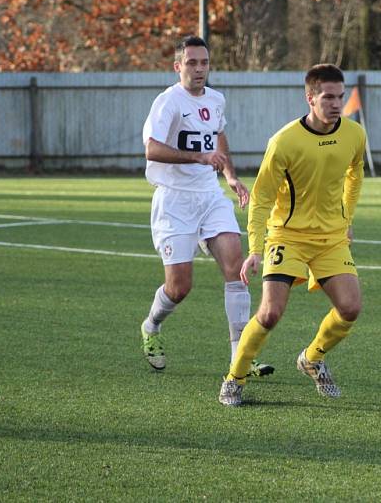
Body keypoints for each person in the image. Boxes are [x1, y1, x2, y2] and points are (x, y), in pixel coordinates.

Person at [218, 63, 366, 407]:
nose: (335, 104)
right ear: (309, 97)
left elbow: (354, 174)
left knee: (350, 308)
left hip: (330, 238)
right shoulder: (284, 141)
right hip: (287, 236)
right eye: (328, 97)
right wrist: (255, 249)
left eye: (340, 97)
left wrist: (347, 217)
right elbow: (261, 198)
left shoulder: (354, 134)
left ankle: (312, 359)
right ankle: (233, 379)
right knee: (270, 313)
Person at [140, 35, 273, 378]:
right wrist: (199, 156)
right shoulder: (168, 102)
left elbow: (218, 135)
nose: (199, 69)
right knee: (179, 288)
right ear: (178, 67)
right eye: (192, 63)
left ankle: (240, 355)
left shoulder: (215, 99)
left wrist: (229, 175)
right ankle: (152, 326)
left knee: (236, 268)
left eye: (204, 63)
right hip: (174, 200)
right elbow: (152, 149)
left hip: (210, 197)